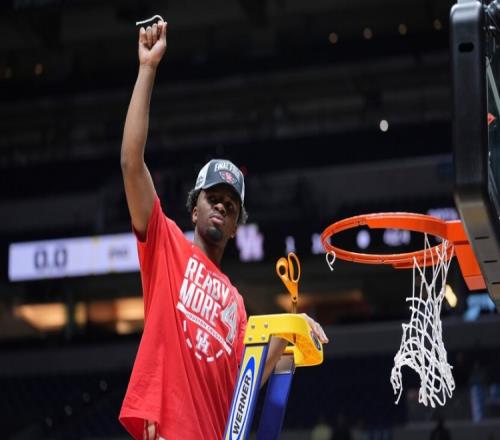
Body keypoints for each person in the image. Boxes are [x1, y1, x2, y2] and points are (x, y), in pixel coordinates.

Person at [118, 19, 329, 440]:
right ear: (193, 211)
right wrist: (147, 69)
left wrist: (289, 329)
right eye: (212, 198)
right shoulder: (165, 244)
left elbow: (242, 387)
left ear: (235, 228)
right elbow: (130, 162)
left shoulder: (236, 304)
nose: (221, 206)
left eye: (231, 205)